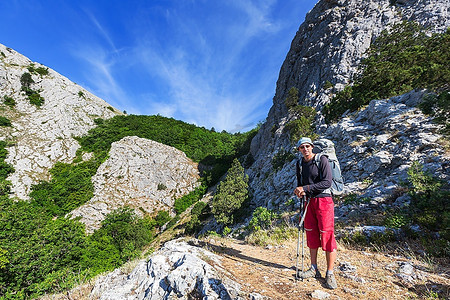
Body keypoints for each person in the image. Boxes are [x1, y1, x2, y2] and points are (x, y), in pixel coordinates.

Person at [294, 137, 337, 289]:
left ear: (312, 147)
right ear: (299, 150)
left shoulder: (321, 160)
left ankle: (330, 273)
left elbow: (327, 182)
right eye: (302, 147)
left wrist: (305, 189)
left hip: (324, 200)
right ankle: (314, 269)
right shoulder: (299, 164)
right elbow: (301, 184)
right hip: (308, 202)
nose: (305, 149)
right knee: (311, 234)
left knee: (327, 235)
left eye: (307, 146)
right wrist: (300, 191)